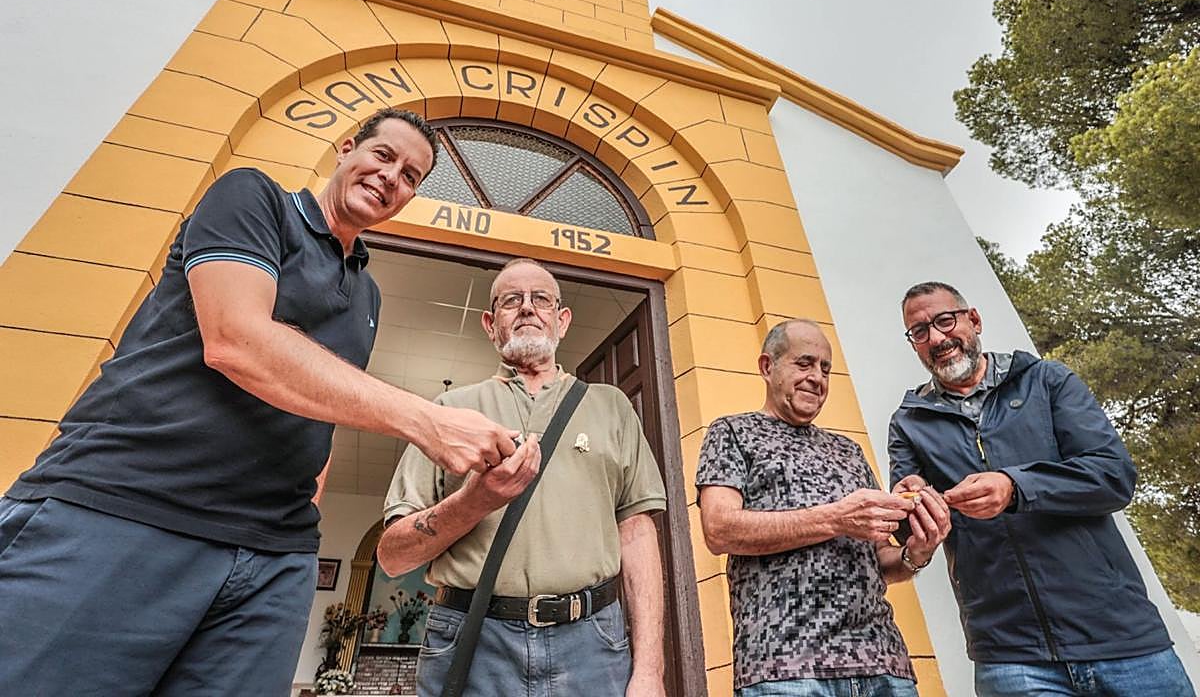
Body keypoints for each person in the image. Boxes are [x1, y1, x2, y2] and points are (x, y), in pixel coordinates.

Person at [0, 107, 517, 696]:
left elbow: (322, 408)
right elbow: (236, 340)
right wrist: (428, 420)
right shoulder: (253, 199)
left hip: (274, 557)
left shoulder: (368, 294)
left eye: (410, 177)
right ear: (348, 149)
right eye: (383, 156)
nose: (392, 178)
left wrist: (305, 519)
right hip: (126, 508)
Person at [378, 257, 668, 697]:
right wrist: (474, 502)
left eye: (541, 300)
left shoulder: (612, 407)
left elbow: (637, 535)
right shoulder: (448, 409)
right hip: (471, 641)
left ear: (562, 320)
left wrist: (650, 670)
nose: (528, 308)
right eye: (512, 301)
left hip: (592, 643)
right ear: (491, 324)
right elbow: (393, 556)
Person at [889, 280, 1194, 697]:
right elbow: (907, 533)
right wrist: (915, 508)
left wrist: (1016, 486)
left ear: (974, 320)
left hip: (1121, 638)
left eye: (945, 321)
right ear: (913, 345)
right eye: (920, 331)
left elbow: (1113, 476)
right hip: (1009, 657)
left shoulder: (1047, 381)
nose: (937, 338)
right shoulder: (907, 423)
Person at [696, 318, 950, 697]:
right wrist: (836, 518)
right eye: (804, 363)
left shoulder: (849, 450)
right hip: (783, 667)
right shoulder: (732, 432)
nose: (817, 377)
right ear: (768, 367)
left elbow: (882, 561)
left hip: (883, 663)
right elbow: (719, 529)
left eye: (825, 369)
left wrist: (917, 552)